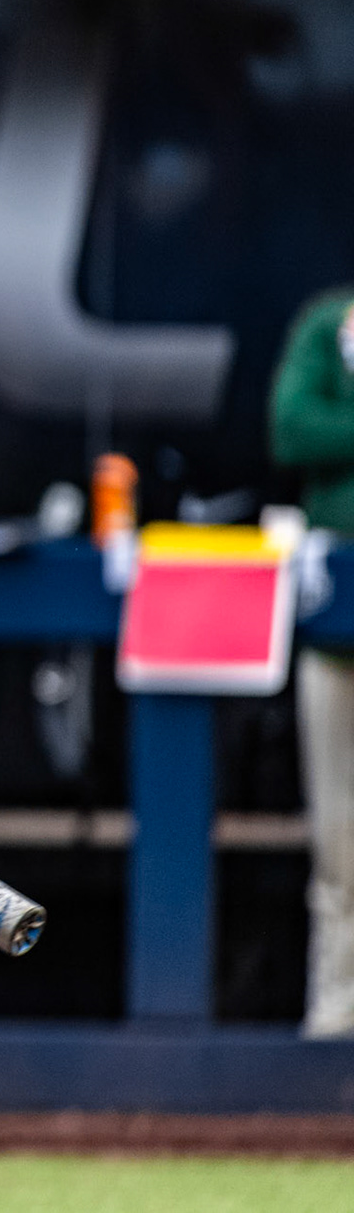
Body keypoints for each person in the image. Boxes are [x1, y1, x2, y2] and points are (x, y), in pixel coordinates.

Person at [270, 287, 354, 1039]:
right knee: (339, 840)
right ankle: (335, 1023)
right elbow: (294, 430)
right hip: (337, 632)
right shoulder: (330, 321)